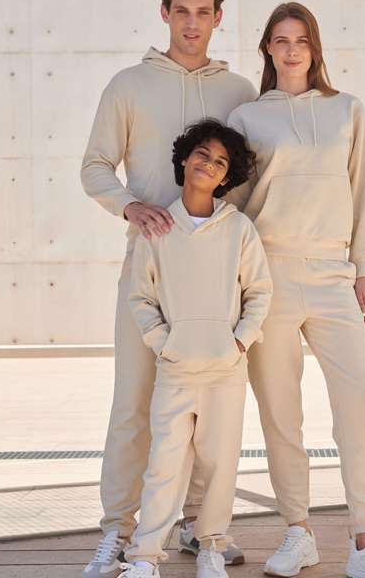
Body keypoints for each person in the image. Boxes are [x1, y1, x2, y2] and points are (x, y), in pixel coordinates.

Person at [226, 2, 365, 578]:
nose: (291, 51)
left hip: (333, 275)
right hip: (267, 276)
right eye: (281, 41)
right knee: (280, 414)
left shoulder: (347, 110)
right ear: (267, 48)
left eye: (302, 41)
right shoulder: (246, 118)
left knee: (361, 403)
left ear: (315, 48)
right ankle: (298, 533)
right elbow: (232, 206)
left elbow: (363, 192)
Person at [80, 0, 258, 576]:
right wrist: (129, 206)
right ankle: (118, 530)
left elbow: (248, 179)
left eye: (203, 12)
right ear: (165, 13)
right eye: (181, 11)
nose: (191, 23)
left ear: (218, 17)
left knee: (210, 406)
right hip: (149, 264)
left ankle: (199, 526)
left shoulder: (239, 93)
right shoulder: (128, 85)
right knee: (133, 401)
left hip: (216, 276)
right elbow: (95, 166)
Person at [117, 119, 272, 578]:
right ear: (184, 159)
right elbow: (140, 298)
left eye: (221, 162)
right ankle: (145, 557)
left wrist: (238, 341)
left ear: (227, 176)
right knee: (163, 465)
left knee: (220, 466)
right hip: (176, 368)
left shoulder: (238, 228)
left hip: (226, 370)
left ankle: (211, 548)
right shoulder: (159, 228)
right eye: (202, 154)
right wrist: (164, 344)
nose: (209, 164)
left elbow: (260, 292)